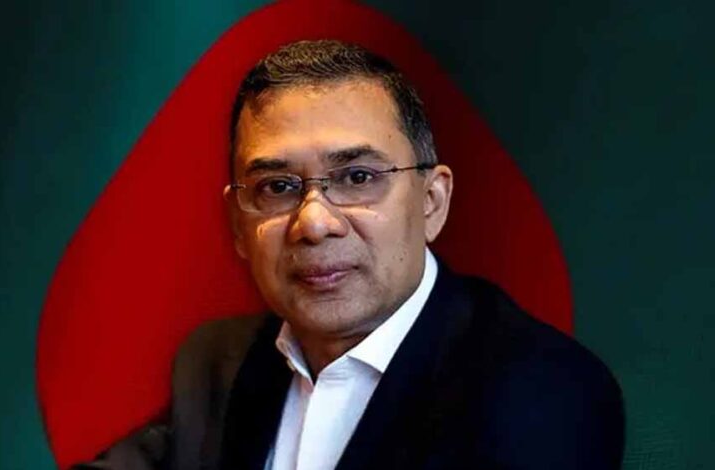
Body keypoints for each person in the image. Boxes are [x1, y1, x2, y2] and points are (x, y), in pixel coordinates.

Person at [74, 40, 624, 470]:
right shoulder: (218, 362)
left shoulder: (543, 391)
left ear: (431, 202)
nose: (314, 224)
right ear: (239, 225)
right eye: (277, 187)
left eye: (357, 178)